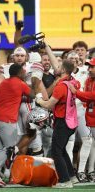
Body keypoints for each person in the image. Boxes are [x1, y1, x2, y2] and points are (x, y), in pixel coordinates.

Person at [0, 63, 35, 187]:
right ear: (19, 73)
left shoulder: (4, 83)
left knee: (2, 147)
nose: (24, 73)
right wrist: (30, 83)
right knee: (9, 149)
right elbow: (33, 95)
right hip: (6, 120)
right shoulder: (19, 83)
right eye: (23, 71)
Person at [36, 59, 79, 188]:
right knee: (61, 149)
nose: (56, 67)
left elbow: (49, 105)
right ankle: (71, 176)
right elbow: (62, 68)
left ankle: (65, 180)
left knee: (56, 151)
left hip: (63, 121)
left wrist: (39, 100)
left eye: (59, 66)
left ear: (64, 70)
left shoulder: (61, 86)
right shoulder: (73, 82)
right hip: (72, 120)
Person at [67, 57, 95, 182]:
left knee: (90, 143)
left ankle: (89, 171)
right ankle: (86, 171)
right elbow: (87, 99)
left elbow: (93, 96)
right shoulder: (89, 80)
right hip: (89, 115)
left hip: (89, 115)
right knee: (90, 143)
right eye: (89, 66)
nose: (90, 69)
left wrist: (76, 92)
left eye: (93, 67)